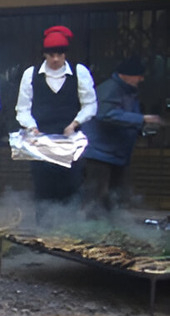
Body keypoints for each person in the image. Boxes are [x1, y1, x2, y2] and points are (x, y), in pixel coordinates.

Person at [15, 25, 97, 227]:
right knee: (43, 188)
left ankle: (69, 230)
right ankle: (44, 231)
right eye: (51, 54)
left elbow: (90, 104)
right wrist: (32, 127)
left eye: (60, 54)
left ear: (65, 54)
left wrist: (75, 123)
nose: (55, 59)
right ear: (44, 54)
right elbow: (22, 109)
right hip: (41, 141)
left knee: (71, 186)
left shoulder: (79, 73)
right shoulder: (31, 74)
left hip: (70, 141)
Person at [81, 56, 165, 218]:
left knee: (114, 197)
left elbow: (125, 118)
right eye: (139, 75)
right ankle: (90, 227)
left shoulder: (128, 92)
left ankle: (110, 226)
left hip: (116, 155)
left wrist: (141, 127)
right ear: (125, 75)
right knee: (96, 196)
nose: (141, 79)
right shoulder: (110, 89)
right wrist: (141, 119)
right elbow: (105, 114)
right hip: (100, 153)